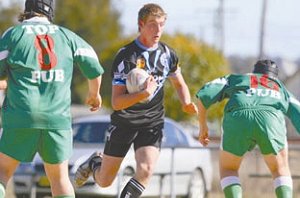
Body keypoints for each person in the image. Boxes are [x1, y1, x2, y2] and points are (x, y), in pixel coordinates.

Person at [73, 3, 198, 198]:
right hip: (125, 122)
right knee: (105, 181)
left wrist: (186, 102)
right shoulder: (126, 56)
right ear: (141, 24)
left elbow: (179, 84)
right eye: (152, 24)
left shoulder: (167, 54)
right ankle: (94, 162)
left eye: (161, 25)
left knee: (146, 169)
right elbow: (117, 102)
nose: (158, 30)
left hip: (152, 122)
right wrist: (142, 94)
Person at [0, 0, 104, 197]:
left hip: (21, 115)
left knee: (2, 172)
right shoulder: (66, 35)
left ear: (26, 10)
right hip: (57, 119)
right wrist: (94, 94)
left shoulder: (13, 34)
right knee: (59, 179)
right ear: (50, 11)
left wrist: (10, 83)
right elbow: (93, 63)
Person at [196, 59, 300, 198]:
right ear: (273, 76)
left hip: (238, 115)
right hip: (270, 119)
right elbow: (297, 112)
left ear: (254, 72)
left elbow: (204, 94)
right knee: (280, 169)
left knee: (229, 168)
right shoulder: (279, 86)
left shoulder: (237, 78)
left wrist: (203, 126)